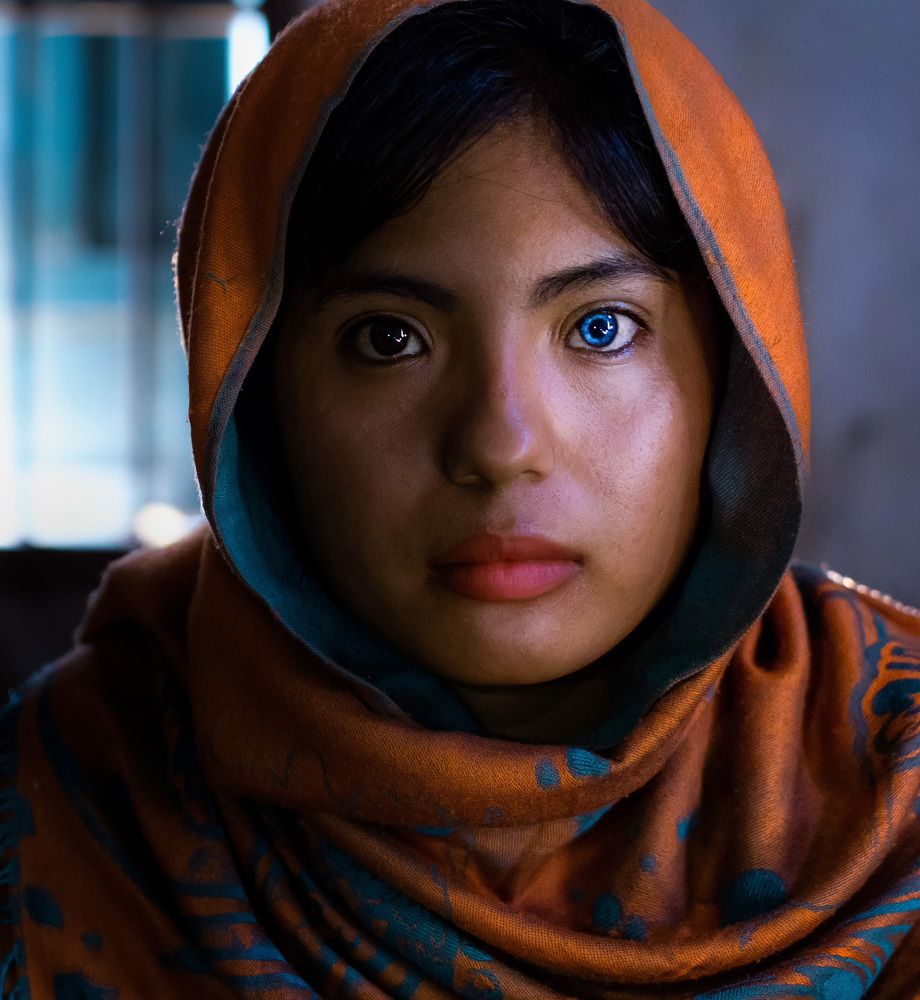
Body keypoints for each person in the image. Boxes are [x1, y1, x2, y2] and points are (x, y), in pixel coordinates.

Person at [2, 0, 918, 995]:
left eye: (601, 327)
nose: (499, 445)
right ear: (256, 401)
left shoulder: (893, 789)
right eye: (389, 338)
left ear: (731, 377)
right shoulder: (66, 805)